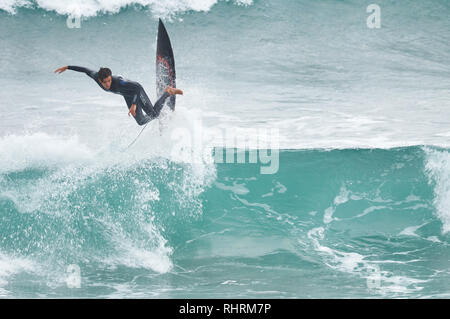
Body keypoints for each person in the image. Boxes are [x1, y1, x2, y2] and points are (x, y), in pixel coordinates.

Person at [54, 65, 183, 125]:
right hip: (127, 95)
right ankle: (156, 113)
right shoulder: (96, 76)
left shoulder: (119, 82)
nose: (108, 84)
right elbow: (85, 70)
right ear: (100, 80)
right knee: (140, 122)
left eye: (109, 80)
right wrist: (68, 67)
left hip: (136, 91)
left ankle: (167, 92)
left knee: (153, 114)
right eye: (105, 82)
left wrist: (133, 105)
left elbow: (137, 87)